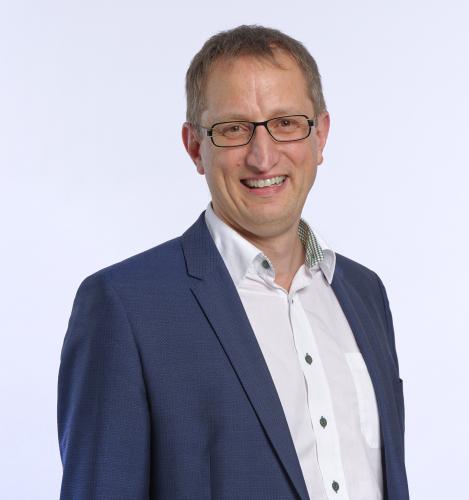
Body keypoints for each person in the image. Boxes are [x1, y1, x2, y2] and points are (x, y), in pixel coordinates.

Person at [58, 25, 409, 500]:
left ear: (320, 136)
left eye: (286, 123)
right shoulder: (125, 308)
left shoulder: (366, 295)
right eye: (233, 129)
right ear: (194, 147)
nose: (263, 157)